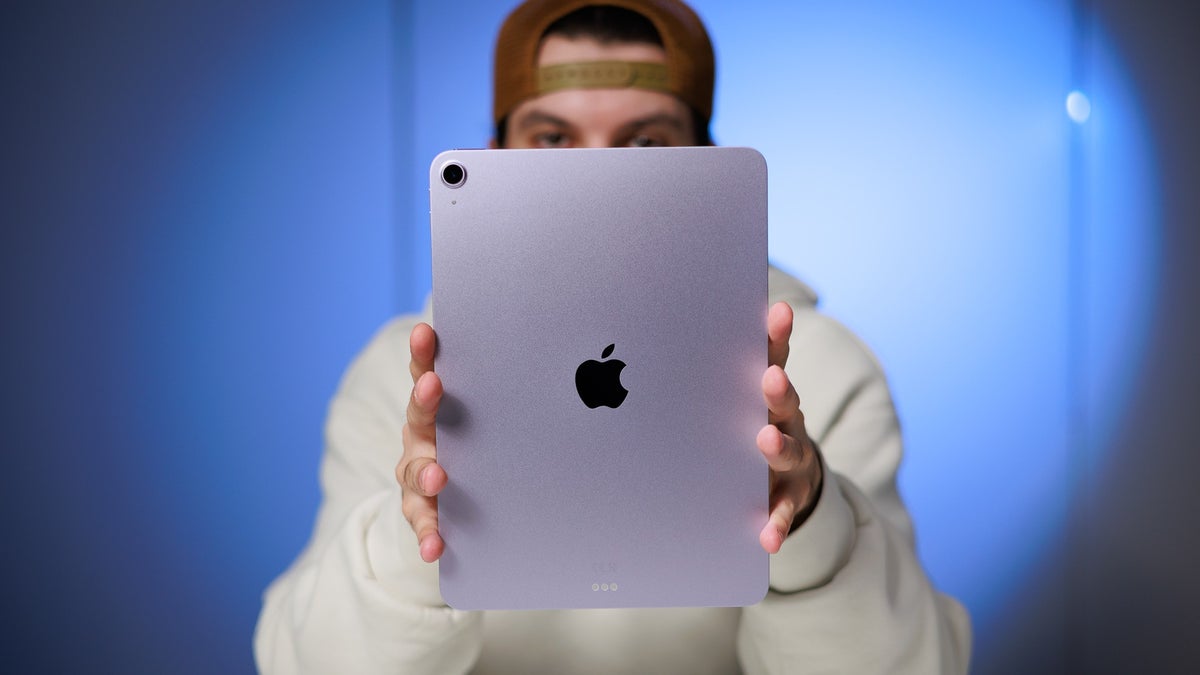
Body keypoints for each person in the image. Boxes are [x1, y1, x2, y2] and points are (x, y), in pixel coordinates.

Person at [254, 1, 972, 672]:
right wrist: (413, 537)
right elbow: (298, 659)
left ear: (705, 160)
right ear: (495, 153)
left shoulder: (820, 368)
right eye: (552, 138)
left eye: (647, 141)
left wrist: (813, 522)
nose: (595, 173)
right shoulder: (401, 374)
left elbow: (921, 661)